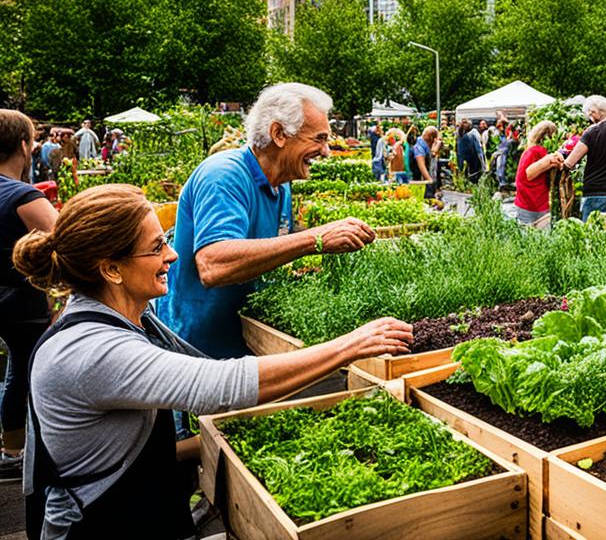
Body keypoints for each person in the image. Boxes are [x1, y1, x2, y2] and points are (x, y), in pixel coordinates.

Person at [13, 184, 412, 539]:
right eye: (155, 247)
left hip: (134, 508)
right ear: (111, 269)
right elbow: (221, 386)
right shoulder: (92, 350)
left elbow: (141, 432)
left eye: (165, 239)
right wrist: (352, 345)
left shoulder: (130, 319)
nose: (171, 255)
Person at [159, 83, 377, 359]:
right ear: (279, 134)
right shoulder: (224, 175)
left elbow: (261, 254)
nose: (326, 152)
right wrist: (316, 238)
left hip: (246, 344)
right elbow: (213, 264)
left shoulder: (281, 184)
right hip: (200, 353)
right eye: (318, 139)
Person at [0, 111, 59, 482]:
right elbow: (68, 241)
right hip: (22, 303)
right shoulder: (22, 195)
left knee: (14, 374)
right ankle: (34, 452)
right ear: (24, 145)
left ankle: (9, 449)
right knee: (32, 373)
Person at [563, 95, 606, 221]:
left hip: (593, 191)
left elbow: (570, 163)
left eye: (589, 114)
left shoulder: (590, 132)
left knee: (591, 234)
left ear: (594, 112)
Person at [514, 121, 563, 226]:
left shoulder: (530, 150)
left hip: (523, 200)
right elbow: (529, 173)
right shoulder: (539, 152)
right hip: (534, 202)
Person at [411, 125, 439, 198]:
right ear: (432, 138)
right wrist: (430, 181)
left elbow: (432, 155)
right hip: (417, 181)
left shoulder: (422, 144)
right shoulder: (419, 148)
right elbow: (421, 166)